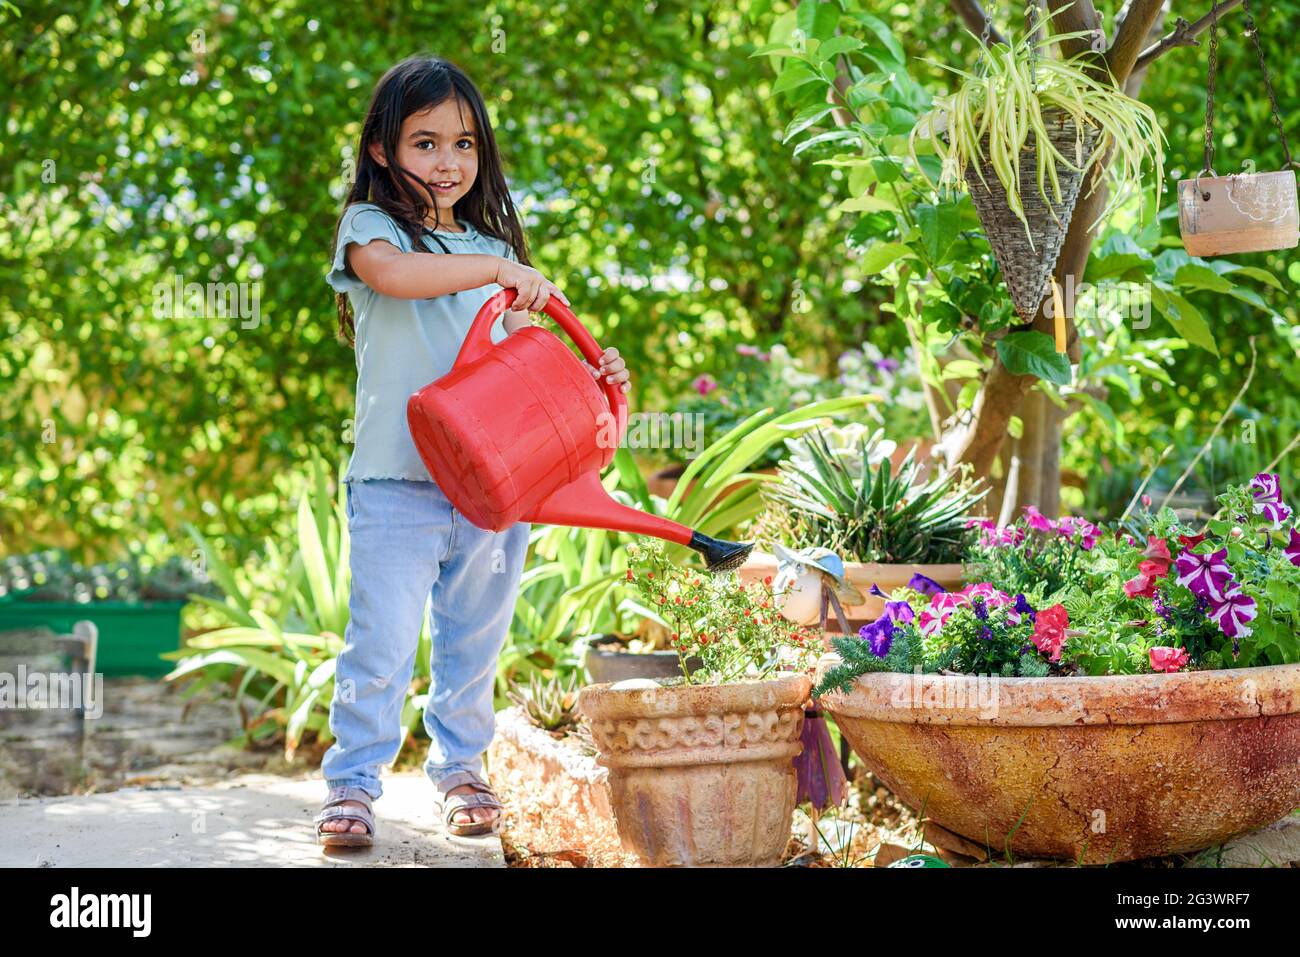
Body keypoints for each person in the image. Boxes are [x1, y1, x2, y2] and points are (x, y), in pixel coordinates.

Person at [315, 54, 630, 846]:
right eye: (424, 143)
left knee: (474, 642)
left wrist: (601, 377)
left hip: (493, 486)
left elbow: (532, 360)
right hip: (396, 482)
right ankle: (352, 783)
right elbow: (396, 278)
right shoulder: (373, 230)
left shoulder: (492, 250)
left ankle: (461, 768)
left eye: (463, 144)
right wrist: (495, 267)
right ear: (382, 150)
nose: (448, 161)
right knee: (381, 642)